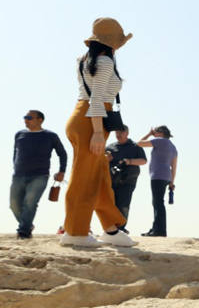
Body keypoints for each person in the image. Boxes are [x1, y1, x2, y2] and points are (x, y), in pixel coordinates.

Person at [62, 18, 135, 247]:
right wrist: (96, 132)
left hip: (84, 117)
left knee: (100, 175)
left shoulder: (86, 60)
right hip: (91, 121)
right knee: (84, 178)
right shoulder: (103, 62)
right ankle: (75, 232)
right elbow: (96, 98)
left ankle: (111, 230)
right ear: (112, 43)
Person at [11, 110, 67, 239]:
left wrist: (61, 171)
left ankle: (23, 232)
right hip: (18, 175)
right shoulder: (19, 134)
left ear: (40, 120)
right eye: (25, 117)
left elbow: (62, 153)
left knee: (30, 202)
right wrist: (15, 166)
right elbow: (15, 153)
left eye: (29, 117)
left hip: (40, 175)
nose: (26, 120)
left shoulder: (50, 136)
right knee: (13, 204)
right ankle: (28, 225)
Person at [137, 125, 177, 237]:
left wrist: (149, 134)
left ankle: (159, 230)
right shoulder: (173, 147)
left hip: (157, 175)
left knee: (157, 203)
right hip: (166, 176)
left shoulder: (159, 141)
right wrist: (172, 182)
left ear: (161, 133)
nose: (155, 134)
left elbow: (139, 143)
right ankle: (156, 228)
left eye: (156, 132)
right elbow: (174, 167)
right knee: (158, 202)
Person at [105, 125, 146, 232]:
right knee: (111, 204)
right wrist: (106, 159)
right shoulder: (110, 147)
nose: (118, 135)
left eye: (121, 133)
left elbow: (143, 161)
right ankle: (112, 228)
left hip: (128, 180)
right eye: (117, 133)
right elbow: (101, 162)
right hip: (112, 179)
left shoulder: (135, 146)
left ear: (127, 133)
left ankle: (121, 228)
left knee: (123, 204)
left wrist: (129, 161)